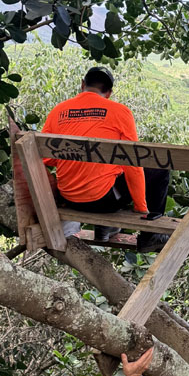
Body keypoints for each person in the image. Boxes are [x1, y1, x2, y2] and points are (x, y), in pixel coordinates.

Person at [42, 66, 153, 244]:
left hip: (68, 198)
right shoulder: (120, 111)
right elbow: (133, 162)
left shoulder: (58, 111)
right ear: (108, 93)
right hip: (104, 202)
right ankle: (151, 235)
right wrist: (140, 207)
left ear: (82, 84)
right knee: (158, 171)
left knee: (110, 172)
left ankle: (105, 228)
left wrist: (74, 160)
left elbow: (47, 158)